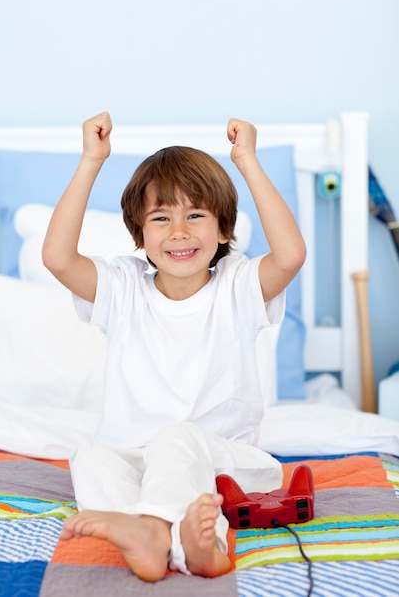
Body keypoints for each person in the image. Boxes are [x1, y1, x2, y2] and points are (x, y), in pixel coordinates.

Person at [42, 111, 306, 582]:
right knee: (95, 459)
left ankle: (160, 533)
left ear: (224, 230)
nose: (179, 232)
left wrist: (246, 160)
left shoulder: (238, 286)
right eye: (161, 218)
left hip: (225, 468)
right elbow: (58, 259)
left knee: (175, 437)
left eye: (196, 216)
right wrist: (91, 160)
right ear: (140, 235)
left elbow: (289, 255)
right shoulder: (123, 287)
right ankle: (176, 545)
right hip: (139, 465)